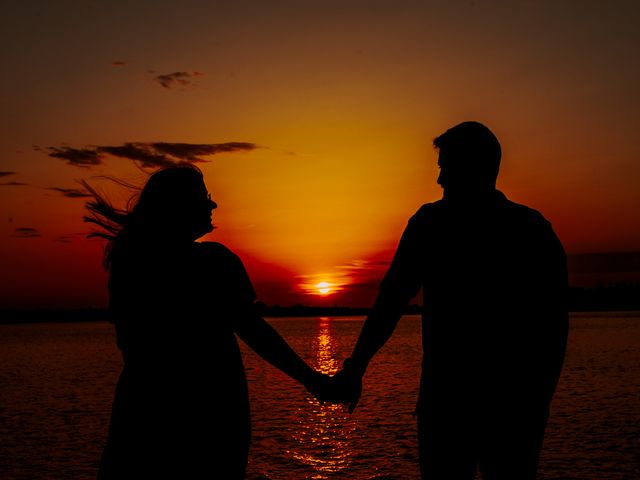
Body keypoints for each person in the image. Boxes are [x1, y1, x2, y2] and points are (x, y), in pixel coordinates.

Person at [328, 121, 569, 479]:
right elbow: (555, 327)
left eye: (445, 168)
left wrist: (355, 368)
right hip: (503, 406)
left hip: (465, 405)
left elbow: (390, 302)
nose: (439, 181)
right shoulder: (532, 228)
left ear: (474, 168)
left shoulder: (433, 224)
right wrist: (538, 399)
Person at [84, 164, 329, 479]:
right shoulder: (213, 263)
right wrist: (314, 381)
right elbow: (255, 331)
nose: (213, 205)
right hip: (211, 419)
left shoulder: (130, 264)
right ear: (179, 206)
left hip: (140, 415)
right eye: (203, 197)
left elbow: (131, 343)